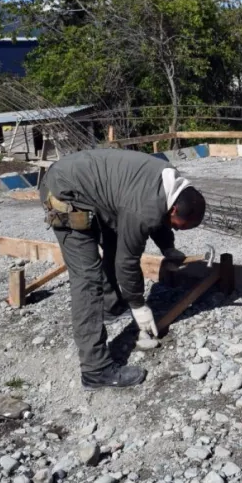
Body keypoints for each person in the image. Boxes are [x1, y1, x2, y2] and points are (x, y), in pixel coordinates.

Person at [39, 149, 206, 390]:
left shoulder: (170, 185)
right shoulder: (145, 207)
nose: (176, 229)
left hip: (91, 186)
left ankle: (112, 307)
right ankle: (95, 370)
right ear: (174, 209)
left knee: (115, 240)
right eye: (177, 227)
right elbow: (127, 262)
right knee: (87, 278)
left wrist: (168, 247)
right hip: (65, 192)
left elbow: (157, 217)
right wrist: (138, 304)